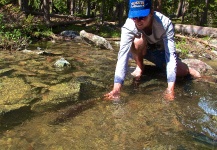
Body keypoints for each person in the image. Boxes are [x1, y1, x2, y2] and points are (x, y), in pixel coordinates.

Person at [104, 0, 201, 101]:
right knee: (138, 41)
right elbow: (122, 57)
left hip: (160, 51)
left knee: (181, 71)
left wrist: (170, 89)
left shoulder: (165, 23)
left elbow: (171, 56)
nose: (138, 21)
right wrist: (116, 89)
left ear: (151, 12)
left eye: (142, 17)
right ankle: (140, 66)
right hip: (140, 50)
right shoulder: (128, 26)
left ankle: (189, 69)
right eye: (134, 17)